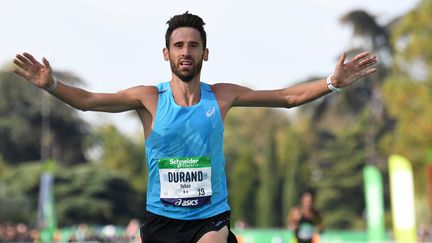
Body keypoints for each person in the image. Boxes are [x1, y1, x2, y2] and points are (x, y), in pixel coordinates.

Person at [12, 11, 377, 243]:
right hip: (161, 219)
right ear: (166, 53)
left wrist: (332, 82)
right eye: (178, 45)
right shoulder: (148, 99)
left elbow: (286, 97)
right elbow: (90, 101)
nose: (185, 51)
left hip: (209, 219)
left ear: (206, 53)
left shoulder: (221, 97)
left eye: (193, 45)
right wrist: (52, 85)